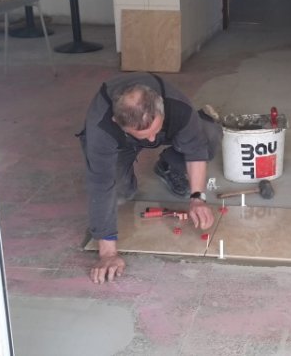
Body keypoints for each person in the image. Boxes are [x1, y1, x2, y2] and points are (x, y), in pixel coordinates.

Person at [78, 72, 222, 284]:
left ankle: (169, 164)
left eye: (155, 131)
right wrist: (107, 253)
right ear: (116, 121)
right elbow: (101, 184)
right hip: (122, 144)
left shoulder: (177, 106)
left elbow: (196, 151)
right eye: (145, 136)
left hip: (170, 127)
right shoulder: (102, 127)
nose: (152, 140)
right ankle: (129, 158)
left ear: (161, 108)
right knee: (119, 193)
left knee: (207, 137)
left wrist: (197, 198)